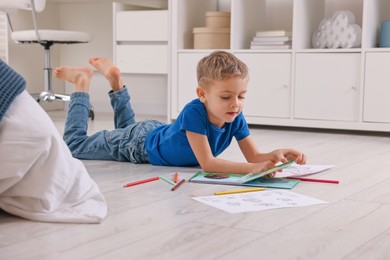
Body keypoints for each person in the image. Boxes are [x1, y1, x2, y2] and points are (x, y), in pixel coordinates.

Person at [54, 51, 306, 174]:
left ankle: (116, 83)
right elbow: (208, 163)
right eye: (226, 97)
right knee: (75, 145)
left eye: (241, 96)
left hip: (153, 133)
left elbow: (254, 156)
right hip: (139, 145)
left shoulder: (235, 116)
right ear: (202, 94)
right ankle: (80, 84)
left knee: (125, 129)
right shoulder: (194, 112)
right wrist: (253, 170)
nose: (236, 104)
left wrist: (273, 155)